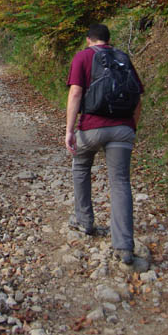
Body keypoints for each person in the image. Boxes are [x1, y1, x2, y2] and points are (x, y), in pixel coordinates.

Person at [65, 23, 144, 265]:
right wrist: (132, 126)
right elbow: (138, 96)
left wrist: (69, 130)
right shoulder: (122, 57)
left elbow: (76, 93)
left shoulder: (83, 57)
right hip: (122, 129)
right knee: (120, 182)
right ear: (108, 40)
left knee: (81, 168)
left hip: (92, 128)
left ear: (89, 39)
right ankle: (124, 246)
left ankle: (84, 221)